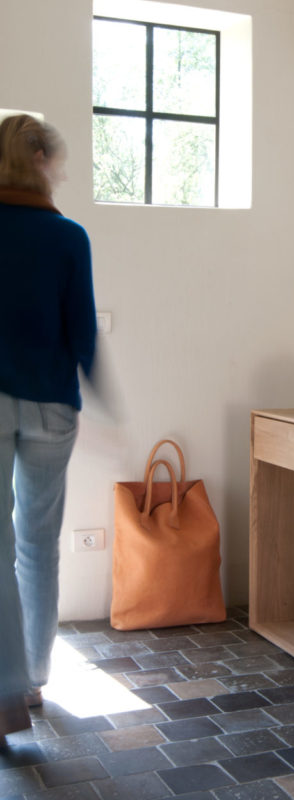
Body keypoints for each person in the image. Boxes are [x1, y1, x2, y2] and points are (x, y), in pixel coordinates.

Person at [0, 114, 97, 747]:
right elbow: (82, 332)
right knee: (36, 546)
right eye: (55, 158)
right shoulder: (68, 236)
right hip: (51, 408)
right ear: (36, 158)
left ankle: (4, 684)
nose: (59, 169)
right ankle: (32, 679)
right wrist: (103, 400)